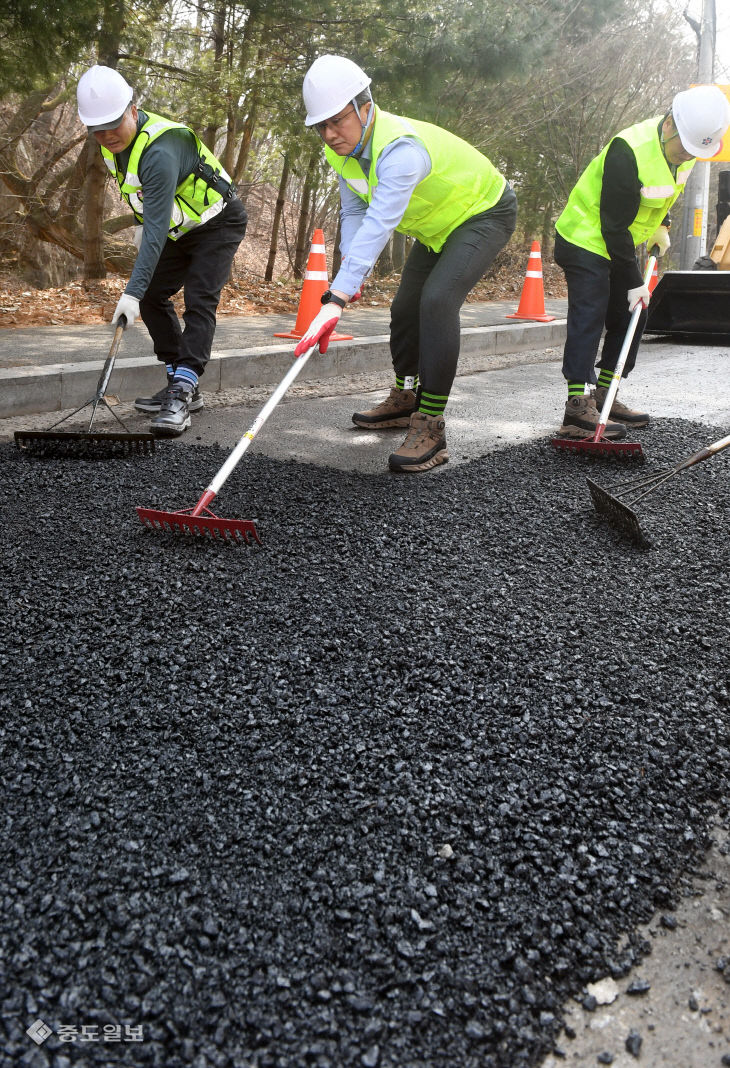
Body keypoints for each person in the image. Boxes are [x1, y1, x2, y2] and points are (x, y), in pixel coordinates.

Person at [294, 55, 517, 473]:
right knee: (403, 309)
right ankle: (405, 396)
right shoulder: (342, 154)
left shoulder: (400, 150)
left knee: (436, 302)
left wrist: (336, 297)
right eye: (320, 126)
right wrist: (348, 278)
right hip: (437, 227)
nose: (329, 134)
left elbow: (381, 222)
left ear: (365, 106)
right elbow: (354, 215)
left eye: (337, 121)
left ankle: (431, 425)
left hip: (483, 212)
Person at [76, 65, 247, 436]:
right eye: (97, 129)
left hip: (218, 223)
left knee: (200, 299)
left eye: (113, 123)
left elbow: (155, 225)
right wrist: (141, 286)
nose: (106, 135)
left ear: (133, 110)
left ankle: (184, 391)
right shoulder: (113, 147)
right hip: (179, 227)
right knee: (154, 295)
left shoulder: (161, 150)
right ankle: (177, 379)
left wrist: (130, 290)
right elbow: (149, 209)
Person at [553, 84, 730, 440]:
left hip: (619, 241)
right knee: (591, 311)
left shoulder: (688, 151)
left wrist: (661, 227)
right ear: (668, 126)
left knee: (635, 314)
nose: (686, 157)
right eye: (684, 149)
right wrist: (634, 279)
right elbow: (612, 225)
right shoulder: (628, 151)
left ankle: (606, 395)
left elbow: (664, 195)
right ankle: (576, 406)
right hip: (585, 237)